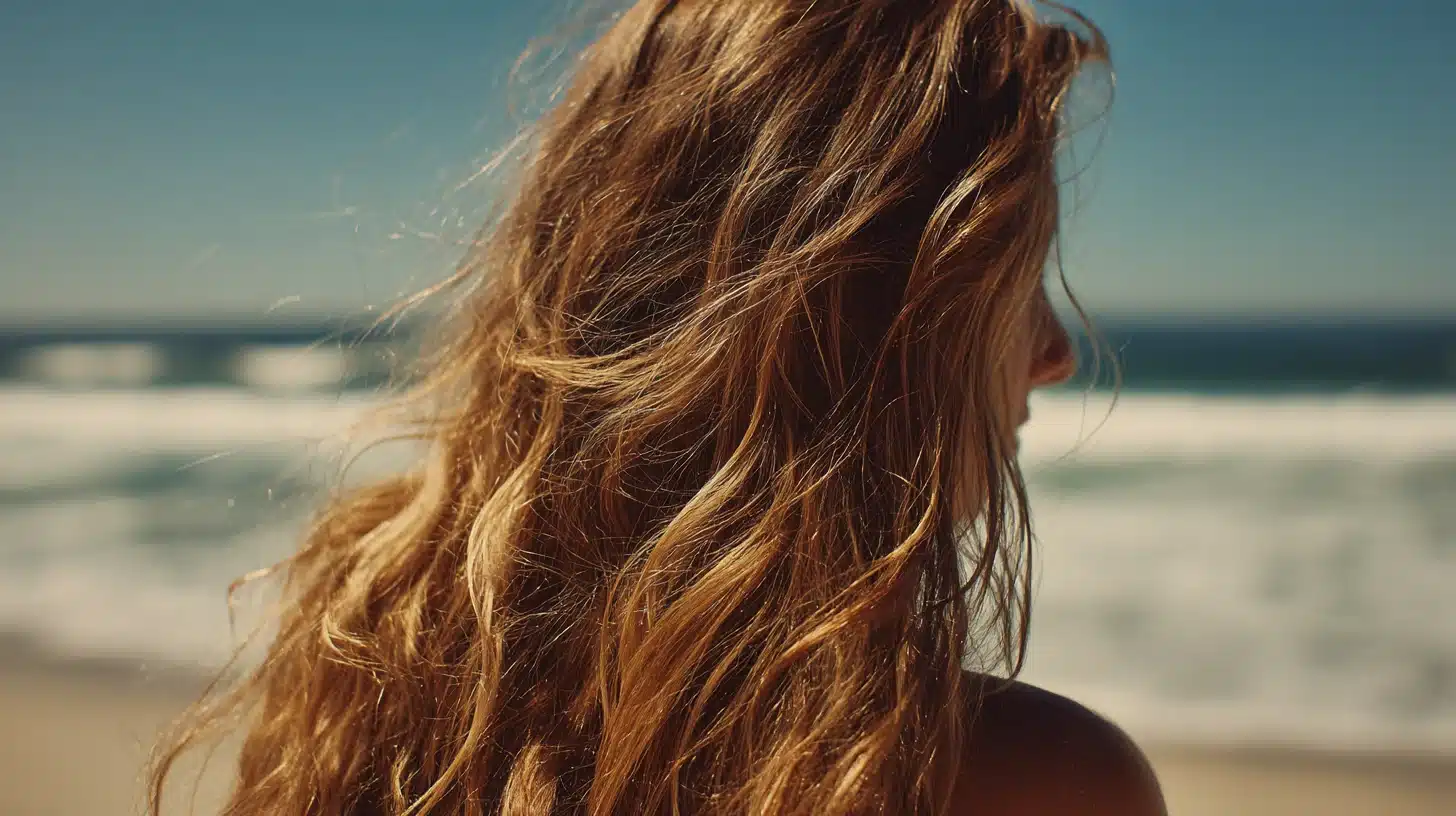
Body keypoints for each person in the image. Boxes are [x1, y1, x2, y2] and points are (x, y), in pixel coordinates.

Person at [151, 0, 1165, 813]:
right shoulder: (1035, 781)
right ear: (869, 317)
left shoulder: (379, 670)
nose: (1055, 353)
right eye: (1016, 277)